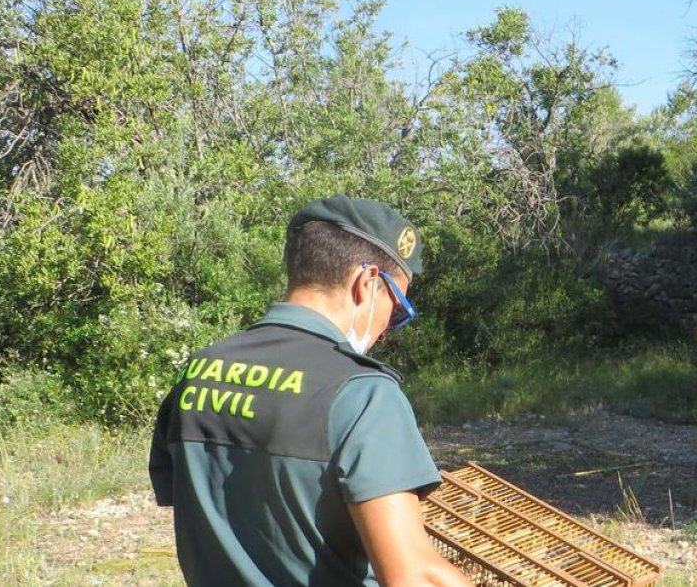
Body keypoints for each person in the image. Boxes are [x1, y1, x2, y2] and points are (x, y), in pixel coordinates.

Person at [149, 195, 472, 587]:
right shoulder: (363, 394)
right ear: (367, 283)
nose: (387, 330)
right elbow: (414, 577)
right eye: (398, 307)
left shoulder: (198, 372)